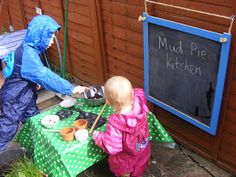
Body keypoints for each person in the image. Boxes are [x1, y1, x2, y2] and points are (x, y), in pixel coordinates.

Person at [0, 15, 87, 152]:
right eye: (50, 37)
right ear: (39, 35)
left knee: (32, 121)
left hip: (25, 94)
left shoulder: (29, 48)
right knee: (6, 129)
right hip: (14, 99)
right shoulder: (28, 55)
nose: (52, 41)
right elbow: (46, 76)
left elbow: (29, 72)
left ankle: (33, 149)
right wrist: (71, 88)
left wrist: (33, 81)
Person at [93, 76, 151, 177]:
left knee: (124, 169)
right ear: (132, 93)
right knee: (140, 162)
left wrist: (98, 136)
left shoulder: (116, 123)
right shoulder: (139, 101)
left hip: (126, 162)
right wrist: (125, 93)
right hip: (142, 149)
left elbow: (112, 147)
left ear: (108, 102)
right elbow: (140, 91)